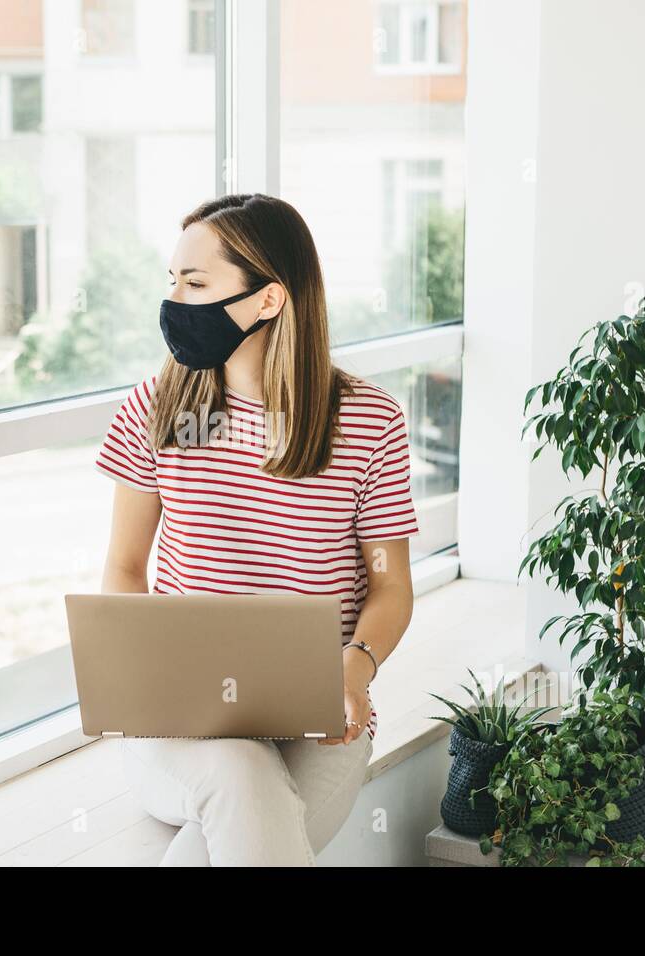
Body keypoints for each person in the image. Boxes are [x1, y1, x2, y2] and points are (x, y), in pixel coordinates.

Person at [93, 192, 419, 866]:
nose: (176, 300)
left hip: (318, 721)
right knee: (239, 774)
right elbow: (126, 568)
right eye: (173, 281)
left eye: (196, 282)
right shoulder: (157, 410)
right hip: (184, 727)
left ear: (268, 300)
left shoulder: (368, 421)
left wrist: (352, 673)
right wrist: (134, 682)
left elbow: (390, 587)